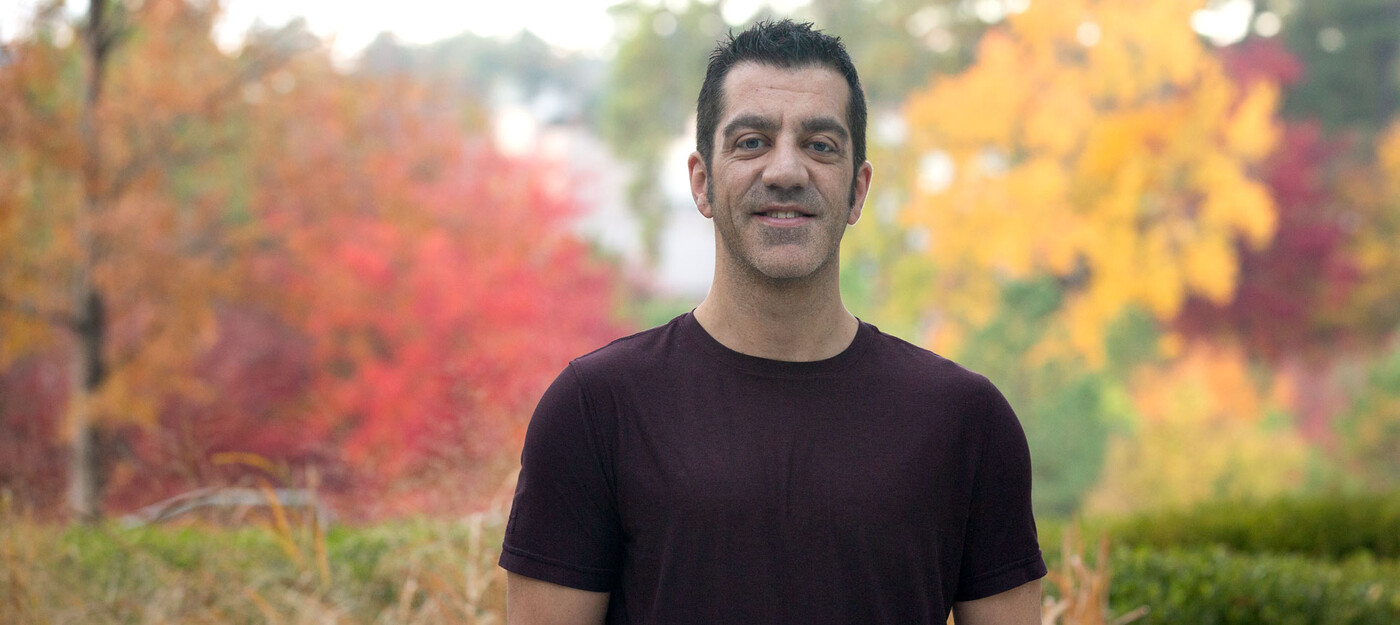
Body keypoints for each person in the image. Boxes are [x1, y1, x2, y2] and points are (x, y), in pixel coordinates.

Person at [498, 19, 1045, 624]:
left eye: (820, 145)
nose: (786, 171)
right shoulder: (595, 409)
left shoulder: (965, 420)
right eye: (752, 141)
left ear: (858, 190)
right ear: (701, 183)